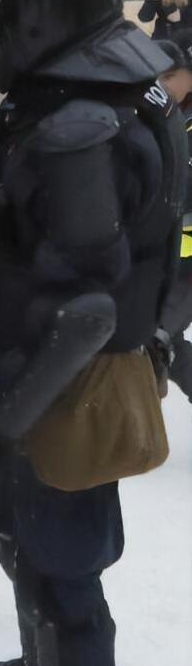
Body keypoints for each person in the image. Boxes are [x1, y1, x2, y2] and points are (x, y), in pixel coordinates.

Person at [0, 0, 183, 666]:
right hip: (49, 369)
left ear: (41, 16)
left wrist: (2, 423)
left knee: (64, 557)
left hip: (65, 382)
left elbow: (85, 306)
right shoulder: (112, 93)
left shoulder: (81, 128)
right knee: (40, 537)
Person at [154, 37, 192, 402]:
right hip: (168, 256)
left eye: (170, 76)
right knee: (166, 341)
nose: (163, 86)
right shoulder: (161, 118)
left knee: (161, 337)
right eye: (155, 78)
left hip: (188, 261)